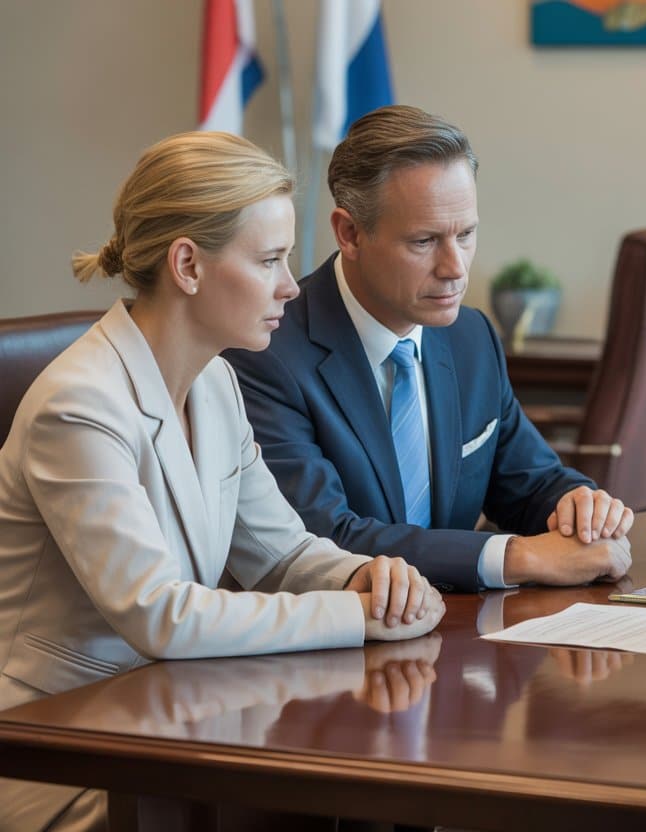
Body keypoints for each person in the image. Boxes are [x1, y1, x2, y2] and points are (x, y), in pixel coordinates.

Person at [0, 132, 445, 832]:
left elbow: (280, 553)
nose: (291, 285)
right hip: (57, 748)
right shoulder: (79, 404)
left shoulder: (215, 383)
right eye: (269, 260)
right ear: (187, 265)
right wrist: (356, 617)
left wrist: (369, 578)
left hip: (168, 724)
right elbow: (160, 614)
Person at [226, 105, 633, 594]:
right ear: (350, 233)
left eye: (466, 234)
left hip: (460, 626)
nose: (455, 267)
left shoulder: (471, 336)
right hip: (340, 632)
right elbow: (322, 542)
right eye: (424, 241)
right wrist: (518, 556)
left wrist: (581, 507)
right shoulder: (265, 352)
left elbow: (530, 482)